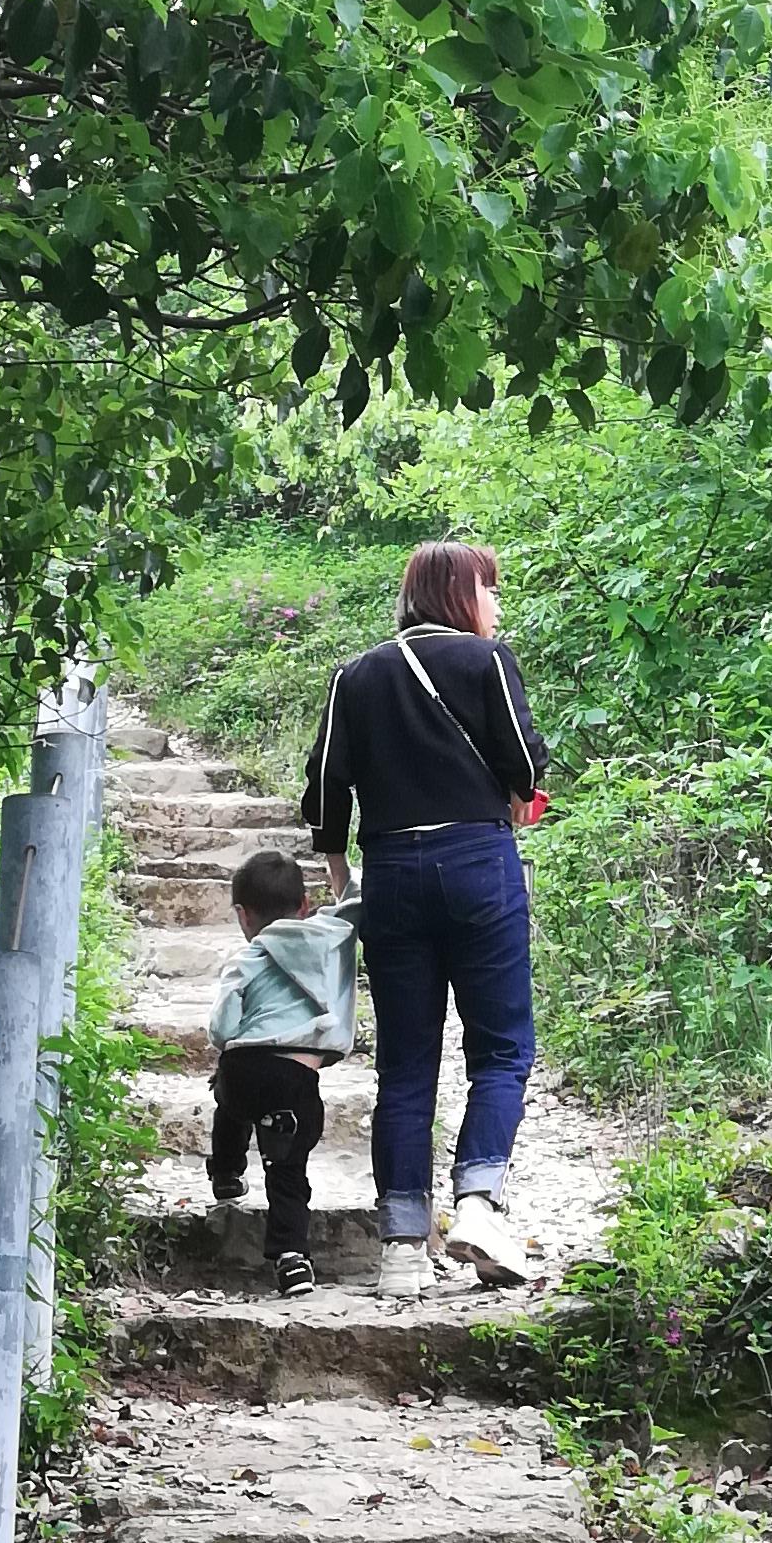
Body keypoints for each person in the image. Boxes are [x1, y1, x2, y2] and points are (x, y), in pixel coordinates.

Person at [303, 538, 547, 1301]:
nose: (496, 605)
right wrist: (511, 790)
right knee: (502, 1049)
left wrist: (343, 875)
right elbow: (529, 767)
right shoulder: (486, 661)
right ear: (461, 595)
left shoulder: (357, 674)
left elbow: (323, 788)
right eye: (490, 590)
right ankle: (477, 1202)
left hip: (395, 875)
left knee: (407, 1066)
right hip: (478, 863)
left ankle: (403, 1246)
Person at [202, 848, 358, 1301]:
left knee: (229, 1098)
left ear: (241, 914)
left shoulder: (246, 959)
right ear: (306, 905)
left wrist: (229, 1042)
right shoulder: (335, 936)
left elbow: (223, 1027)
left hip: (245, 1068)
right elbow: (360, 898)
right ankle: (292, 1257)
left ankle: (228, 1172)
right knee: (288, 1167)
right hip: (296, 1074)